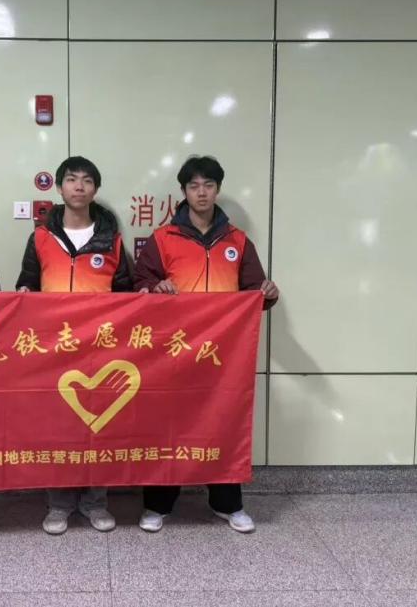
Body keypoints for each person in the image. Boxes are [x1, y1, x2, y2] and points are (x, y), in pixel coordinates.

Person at [133, 155, 279, 533]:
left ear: (218, 189)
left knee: (223, 423)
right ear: (183, 191)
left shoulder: (237, 241)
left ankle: (227, 503)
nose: (202, 192)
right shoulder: (163, 238)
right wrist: (155, 287)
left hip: (222, 356)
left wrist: (268, 293)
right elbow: (139, 284)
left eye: (209, 185)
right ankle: (158, 505)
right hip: (173, 352)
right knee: (167, 425)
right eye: (194, 186)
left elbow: (254, 290)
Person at [15, 156, 133, 535]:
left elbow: (127, 294)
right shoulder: (40, 238)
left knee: (99, 428)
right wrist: (24, 293)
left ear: (95, 189)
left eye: (86, 180)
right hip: (54, 350)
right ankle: (59, 504)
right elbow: (27, 283)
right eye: (71, 179)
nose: (78, 186)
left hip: (101, 349)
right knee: (58, 428)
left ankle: (96, 502)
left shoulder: (112, 240)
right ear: (60, 187)